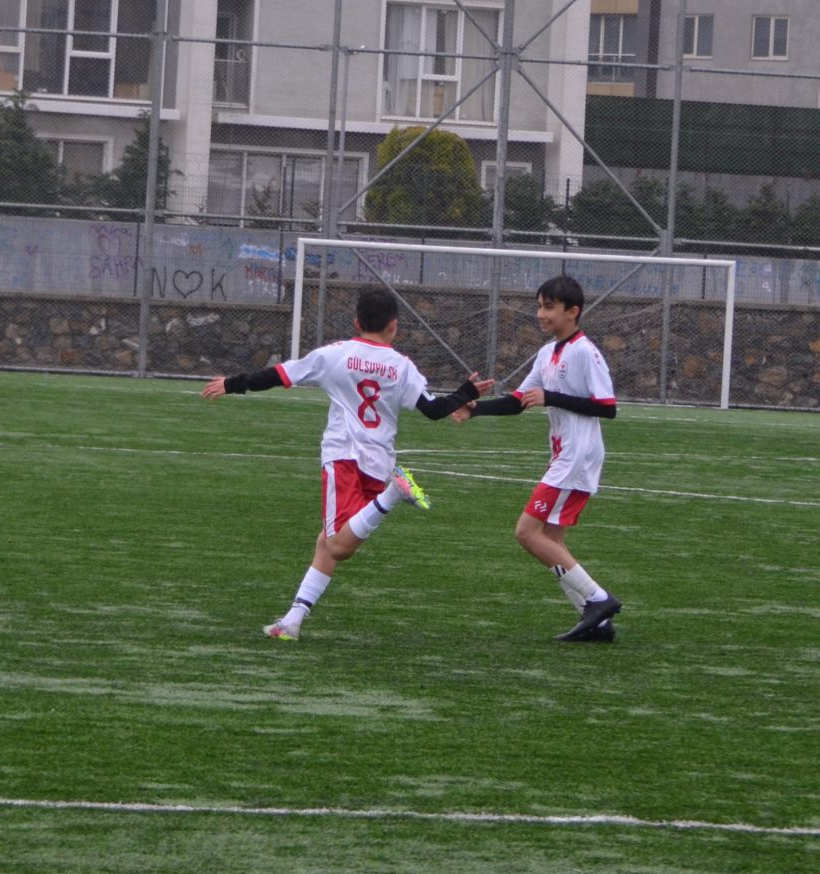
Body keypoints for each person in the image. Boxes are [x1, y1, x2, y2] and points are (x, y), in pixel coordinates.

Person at [202, 287, 490, 640]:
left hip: (344, 456)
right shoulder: (401, 365)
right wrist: (466, 393)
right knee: (327, 540)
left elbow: (279, 375)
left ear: (356, 322)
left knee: (338, 545)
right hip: (378, 460)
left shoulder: (335, 354)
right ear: (394, 326)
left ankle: (395, 494)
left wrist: (231, 384)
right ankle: (293, 620)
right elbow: (432, 410)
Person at [464, 275, 624, 643]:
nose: (540, 314)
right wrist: (474, 410)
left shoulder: (585, 352)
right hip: (564, 455)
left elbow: (607, 407)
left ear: (573, 311)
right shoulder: (547, 353)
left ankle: (599, 599)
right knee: (551, 539)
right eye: (539, 306)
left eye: (549, 307)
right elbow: (518, 401)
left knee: (526, 532)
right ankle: (597, 623)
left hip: (577, 457)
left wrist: (551, 398)